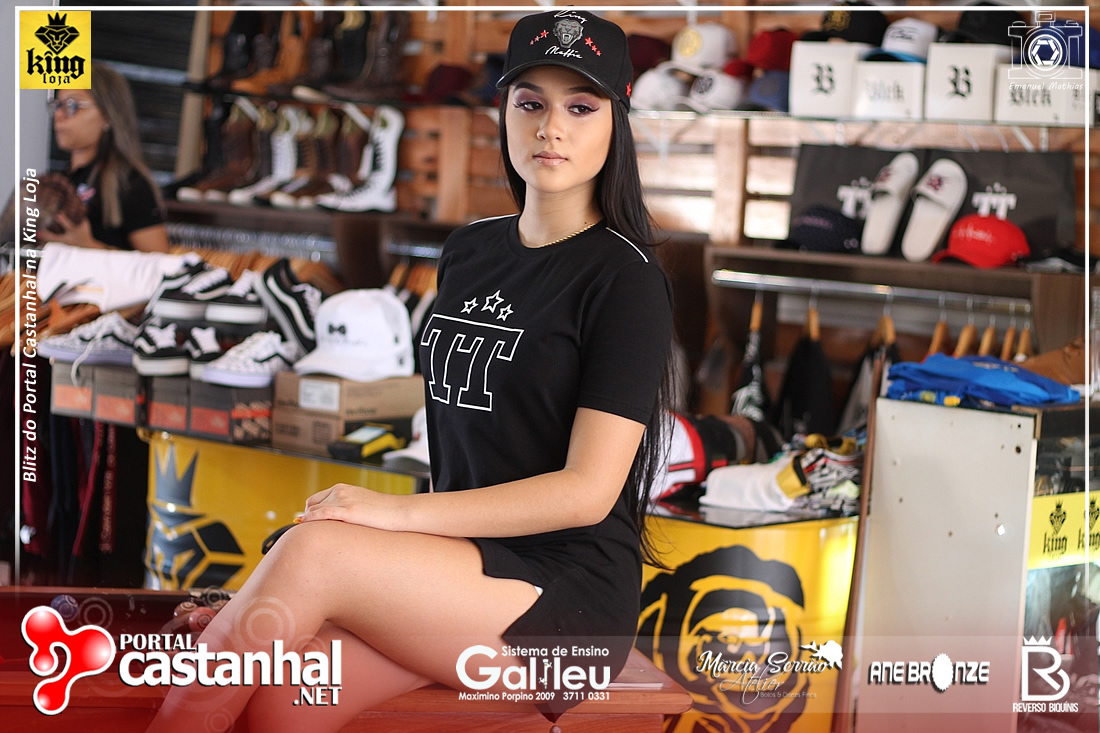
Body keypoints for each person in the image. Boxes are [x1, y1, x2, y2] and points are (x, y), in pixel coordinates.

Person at [149, 9, 673, 732]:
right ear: (504, 112)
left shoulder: (626, 279)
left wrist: (388, 515)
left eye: (580, 107)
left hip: (566, 599)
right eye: (531, 104)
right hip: (458, 567)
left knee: (315, 550)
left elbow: (586, 493)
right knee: (283, 698)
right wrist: (257, 606)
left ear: (617, 122)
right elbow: (463, 453)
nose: (552, 127)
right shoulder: (468, 252)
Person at [46, 62, 169, 252]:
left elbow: (158, 264)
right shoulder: (61, 179)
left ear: (107, 115)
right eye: (57, 105)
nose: (59, 116)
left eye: (72, 105)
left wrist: (89, 246)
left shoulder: (130, 183)